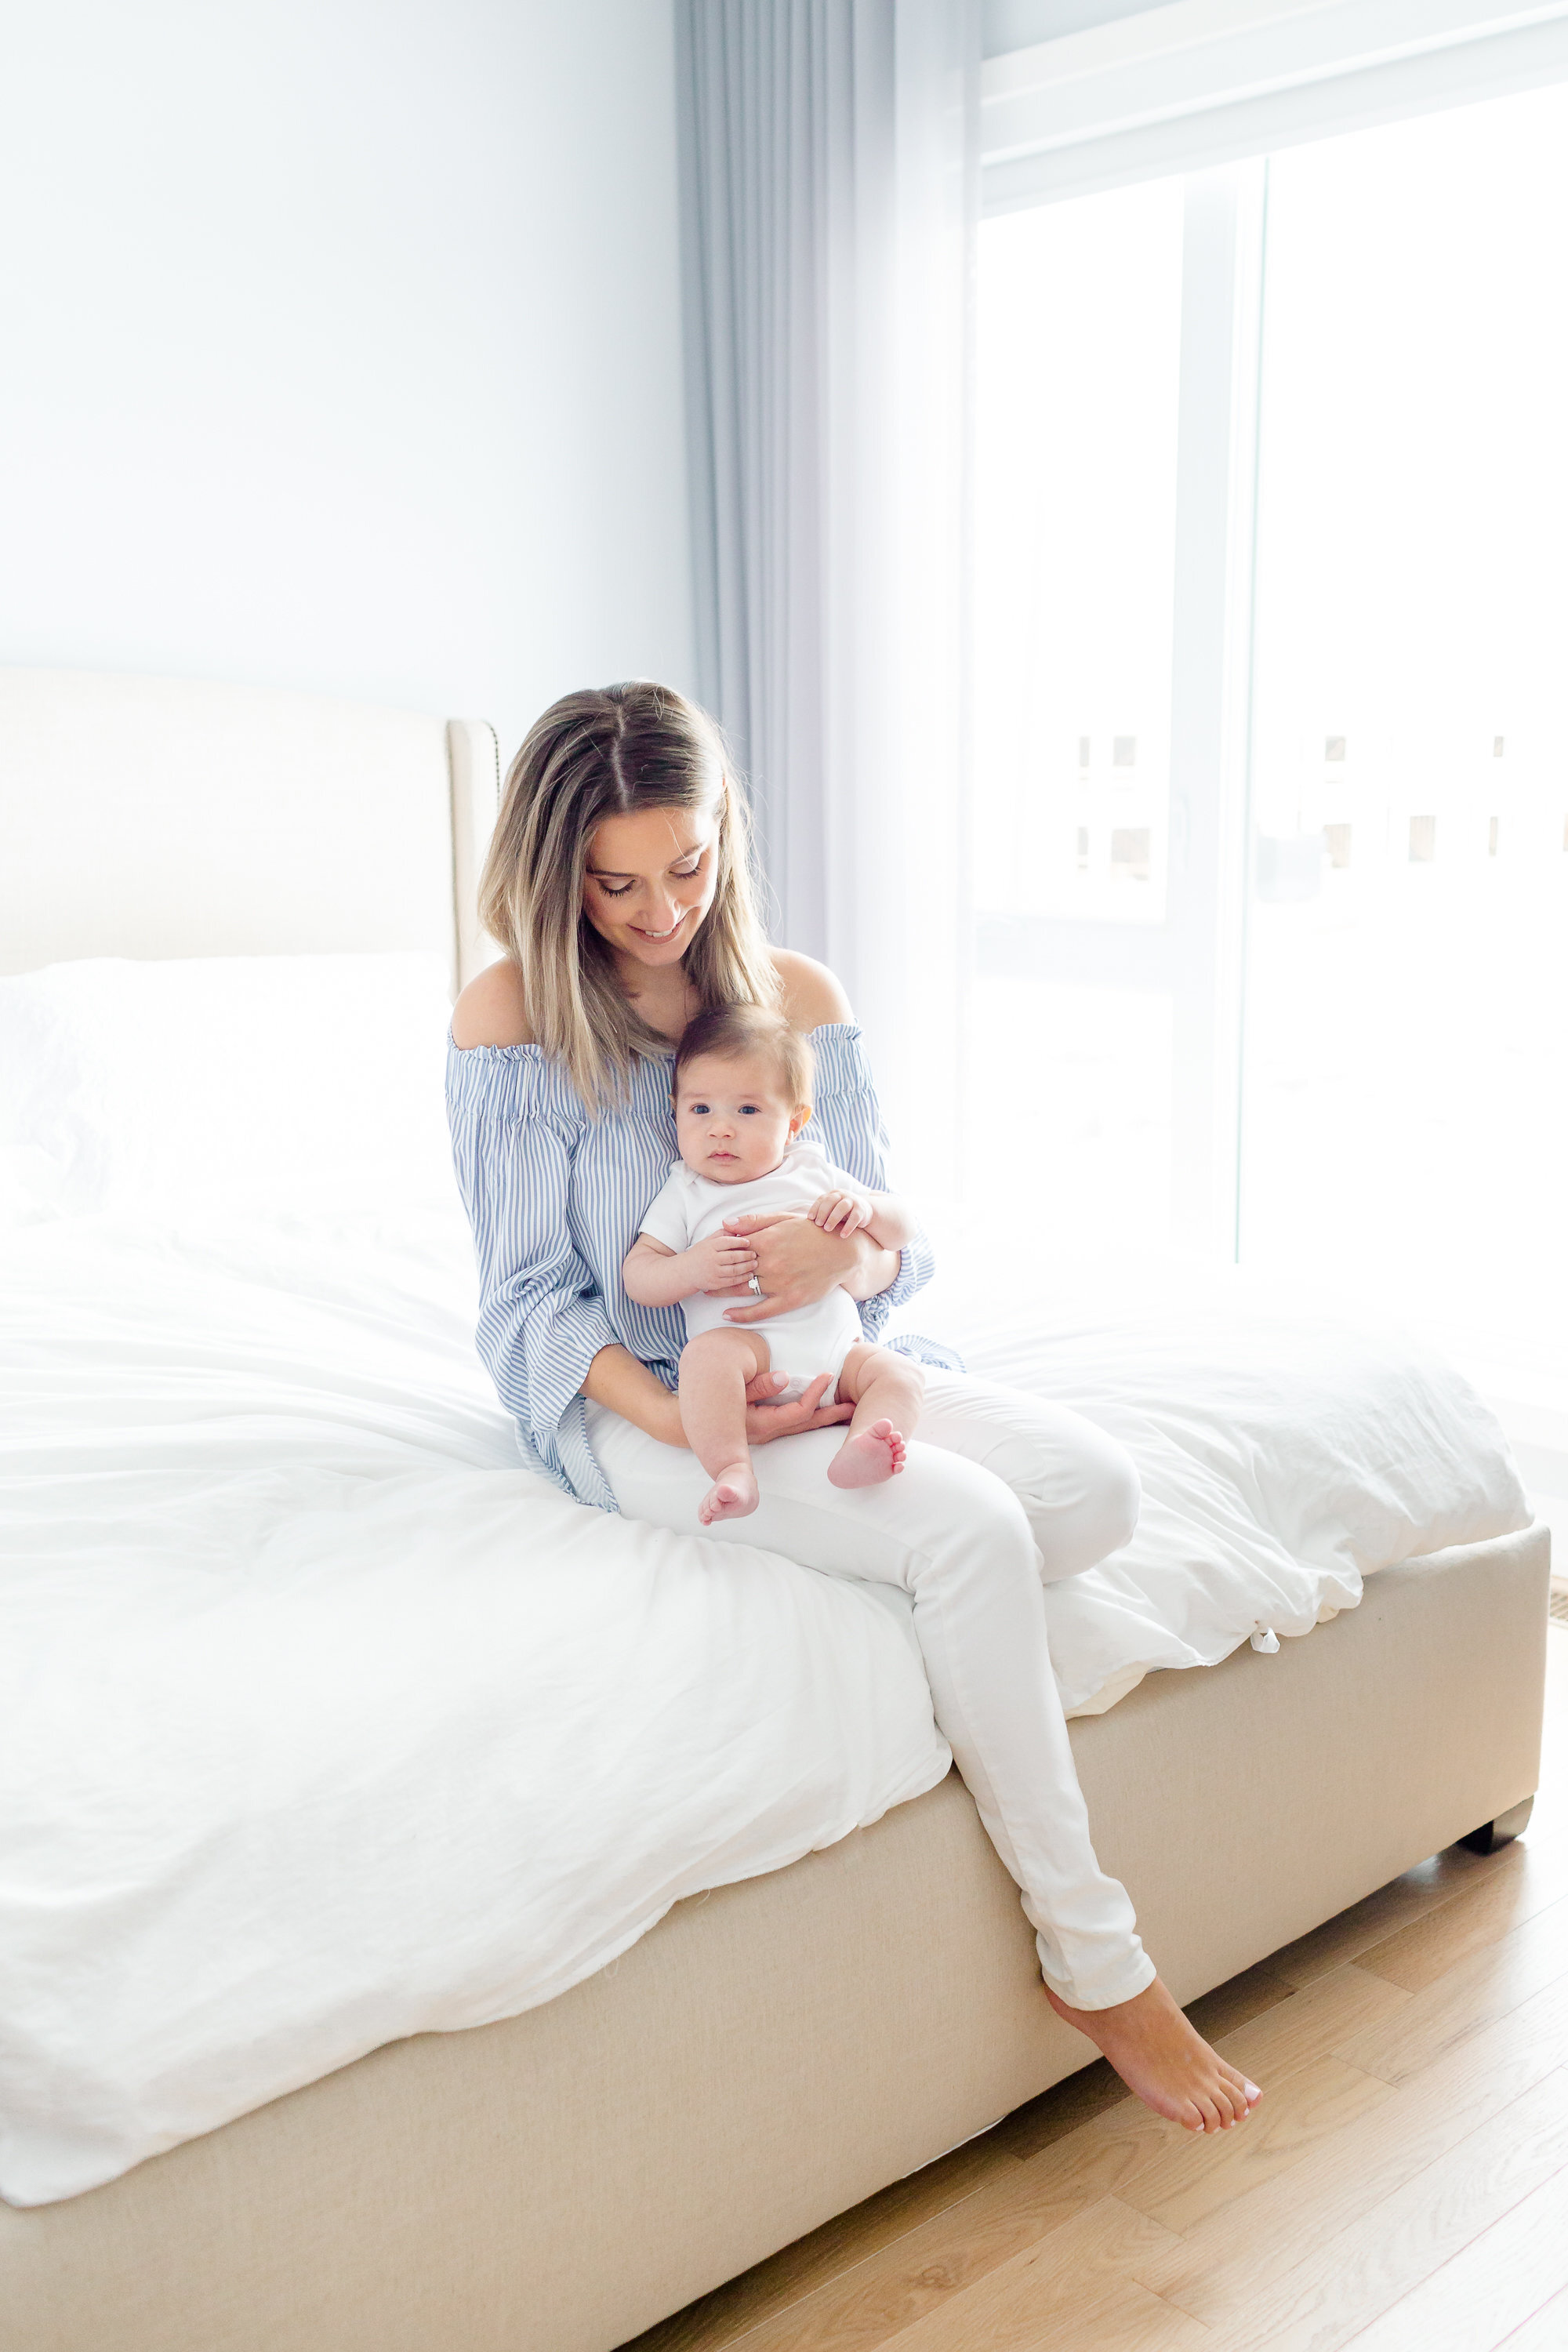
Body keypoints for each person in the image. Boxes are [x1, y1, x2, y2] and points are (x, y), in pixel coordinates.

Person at [447, 679, 1261, 2135]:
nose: (656, 910)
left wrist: (854, 1257)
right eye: (614, 880)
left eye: (685, 867)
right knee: (964, 1534)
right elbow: (523, 1302)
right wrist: (699, 1421)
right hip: (646, 1406)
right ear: (555, 865)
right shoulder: (513, 1014)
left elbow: (896, 1243)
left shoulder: (797, 1002)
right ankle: (1099, 1960)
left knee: (1093, 1494)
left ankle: (910, 1579)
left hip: (823, 1371)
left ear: (726, 839)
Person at [622, 1002, 924, 1524]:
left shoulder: (812, 1169)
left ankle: (863, 1446)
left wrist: (867, 1210)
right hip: (747, 1355)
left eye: (746, 1111)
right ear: (674, 1111)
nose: (720, 1130)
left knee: (899, 1375)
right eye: (700, 1110)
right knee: (703, 1361)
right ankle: (733, 1468)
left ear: (794, 1122)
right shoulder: (688, 1191)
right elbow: (639, 1276)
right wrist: (690, 1268)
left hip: (838, 1350)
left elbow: (905, 1229)